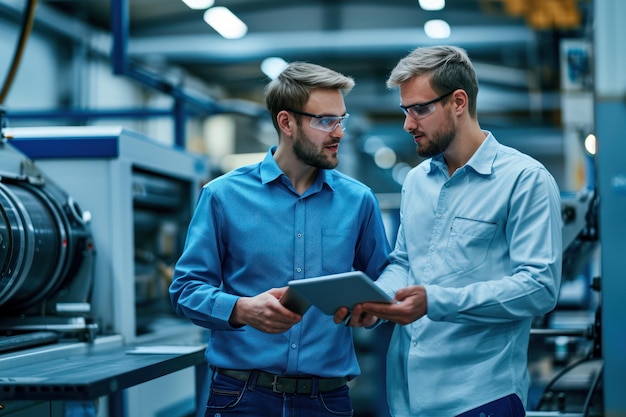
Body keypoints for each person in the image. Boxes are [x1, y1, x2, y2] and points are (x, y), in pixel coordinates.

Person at [335, 45, 563, 416]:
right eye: (405, 111)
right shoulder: (416, 182)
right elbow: (405, 262)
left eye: (420, 109)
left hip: (480, 395)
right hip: (406, 396)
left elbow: (539, 288)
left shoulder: (524, 180)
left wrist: (435, 301)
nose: (408, 124)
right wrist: (380, 300)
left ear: (459, 101)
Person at [169, 61, 391, 417]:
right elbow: (185, 290)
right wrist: (241, 309)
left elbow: (384, 281)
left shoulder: (358, 200)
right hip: (240, 397)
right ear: (286, 123)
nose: (339, 133)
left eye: (341, 120)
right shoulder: (222, 196)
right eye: (325, 121)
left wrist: (374, 311)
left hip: (326, 400)